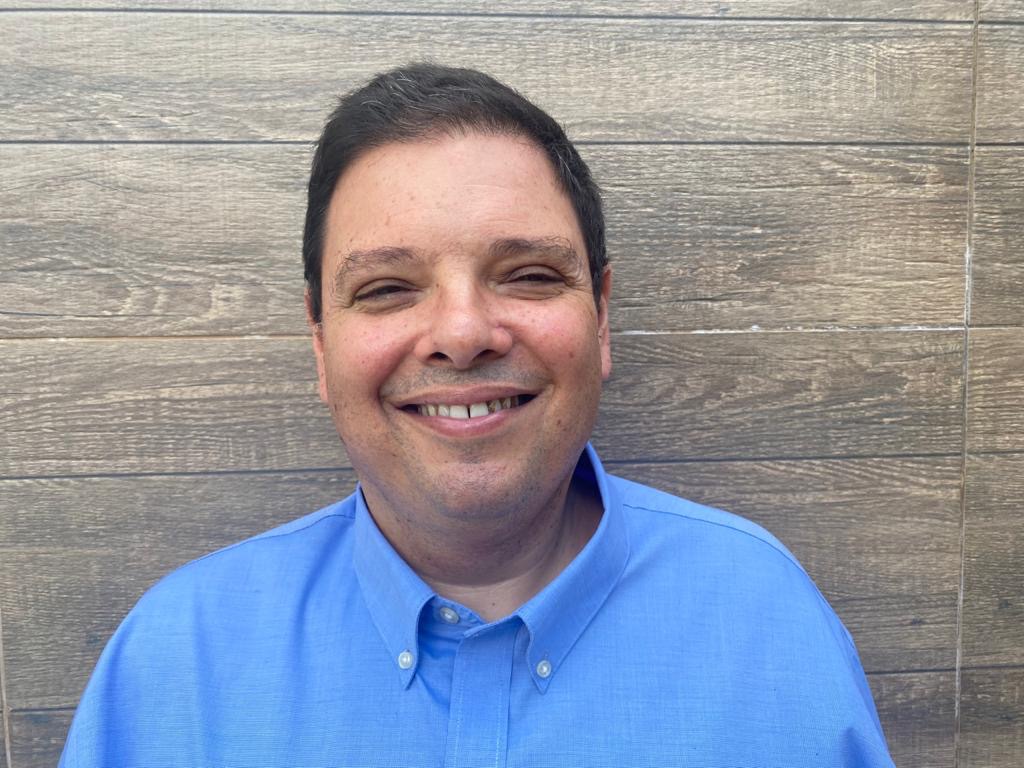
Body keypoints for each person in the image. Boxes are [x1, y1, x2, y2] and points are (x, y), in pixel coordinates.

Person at [59, 64, 895, 767]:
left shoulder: (768, 622)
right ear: (319, 342)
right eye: (388, 288)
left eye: (529, 275)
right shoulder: (176, 662)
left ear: (602, 318)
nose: (462, 335)